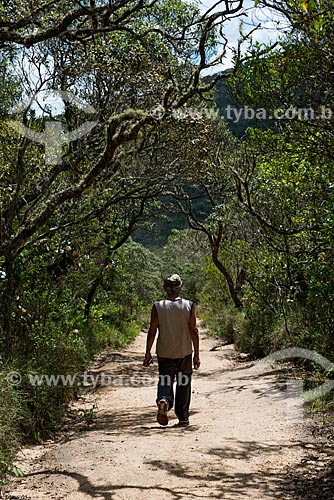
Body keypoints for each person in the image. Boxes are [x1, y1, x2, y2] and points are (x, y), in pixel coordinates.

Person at [143, 273, 200, 427]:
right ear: (180, 287)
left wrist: (148, 352)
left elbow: (152, 331)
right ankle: (183, 417)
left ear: (165, 289)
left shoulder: (158, 307)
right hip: (185, 351)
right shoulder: (189, 305)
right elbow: (194, 330)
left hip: (164, 352)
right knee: (183, 383)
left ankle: (164, 400)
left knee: (165, 379)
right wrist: (196, 354)